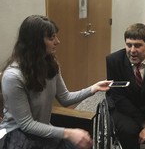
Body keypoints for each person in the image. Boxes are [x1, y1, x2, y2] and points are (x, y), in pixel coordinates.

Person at [0, 15, 112, 149]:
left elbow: (65, 98)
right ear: (35, 42)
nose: (57, 41)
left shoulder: (51, 64)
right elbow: (26, 124)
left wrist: (94, 88)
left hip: (42, 131)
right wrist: (67, 133)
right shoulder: (13, 76)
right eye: (51, 38)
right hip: (19, 135)